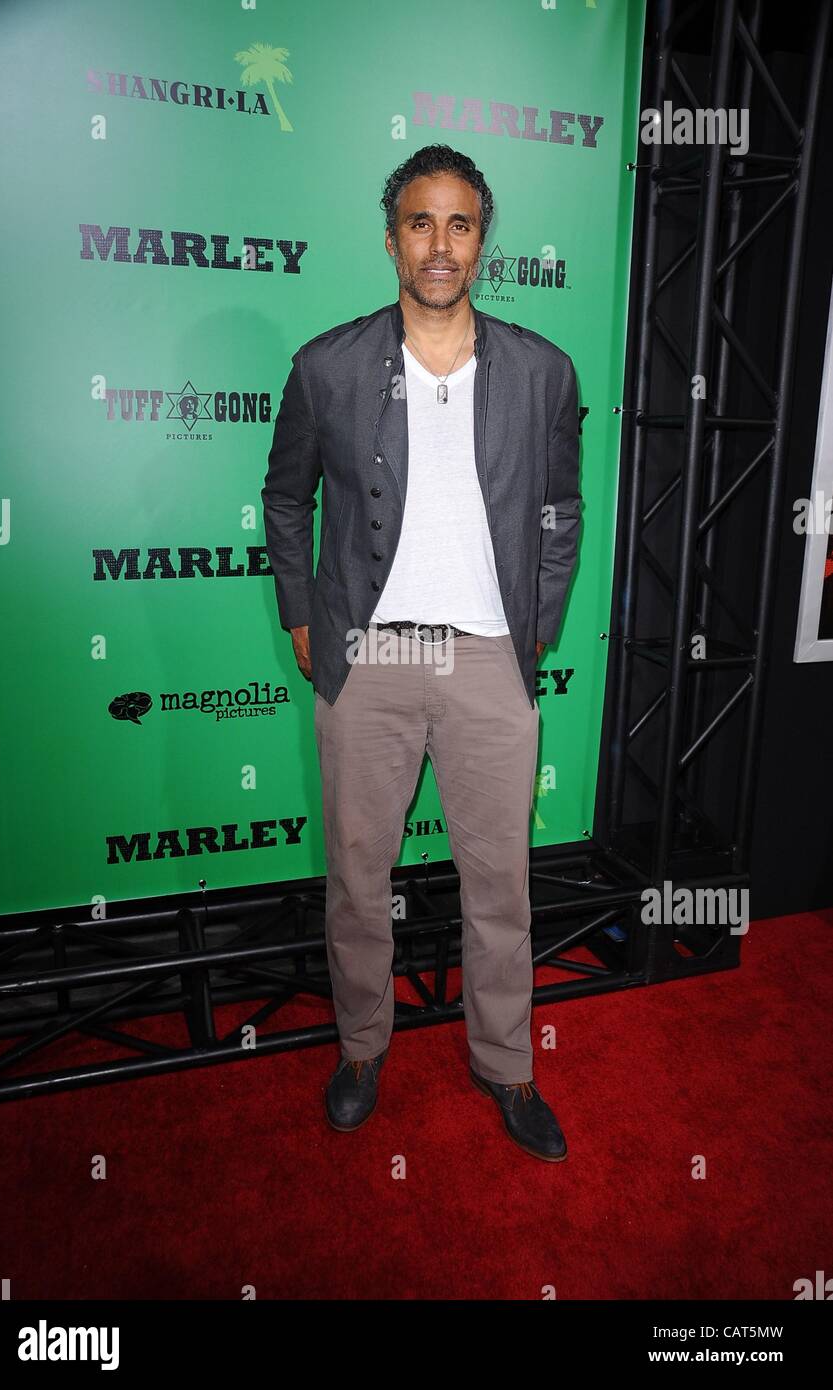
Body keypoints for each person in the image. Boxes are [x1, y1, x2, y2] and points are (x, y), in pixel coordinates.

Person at [261, 144, 581, 1161]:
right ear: (391, 235)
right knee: (360, 878)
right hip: (371, 658)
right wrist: (303, 609)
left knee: (502, 884)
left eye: (459, 224)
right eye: (418, 222)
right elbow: (284, 496)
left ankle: (506, 1064)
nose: (438, 245)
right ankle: (361, 1048)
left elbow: (560, 505)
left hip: (490, 659)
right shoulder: (327, 365)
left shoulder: (541, 370)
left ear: (482, 239)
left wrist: (540, 619)